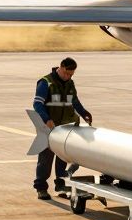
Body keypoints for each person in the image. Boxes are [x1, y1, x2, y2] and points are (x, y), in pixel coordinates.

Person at [32, 56, 91, 201]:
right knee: (45, 159)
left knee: (62, 159)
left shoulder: (70, 83)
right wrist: (47, 119)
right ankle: (41, 188)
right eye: (67, 73)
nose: (68, 77)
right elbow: (37, 104)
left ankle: (61, 186)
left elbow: (74, 101)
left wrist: (84, 113)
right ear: (61, 67)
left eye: (71, 74)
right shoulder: (46, 82)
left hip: (65, 128)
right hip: (48, 127)